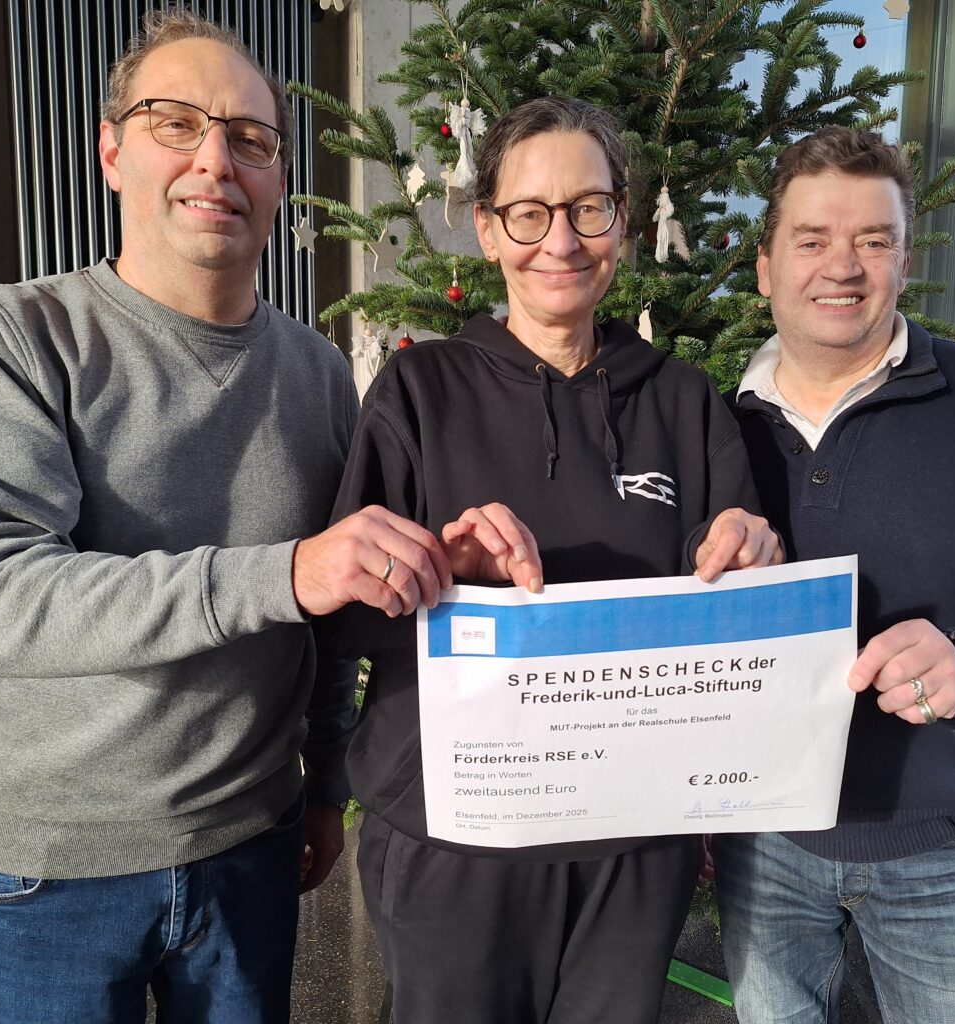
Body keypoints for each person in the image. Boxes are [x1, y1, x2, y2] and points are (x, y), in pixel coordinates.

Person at [0, 9, 453, 1022]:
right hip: (50, 869)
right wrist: (286, 571)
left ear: (279, 178)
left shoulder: (316, 372)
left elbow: (331, 621)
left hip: (251, 845)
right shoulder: (8, 338)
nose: (215, 160)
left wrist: (325, 782)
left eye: (250, 138)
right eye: (176, 123)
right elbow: (0, 599)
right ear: (112, 152)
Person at [325, 95, 782, 1024]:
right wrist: (440, 569)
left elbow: (734, 625)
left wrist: (754, 560)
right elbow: (343, 620)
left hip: (632, 839)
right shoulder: (419, 390)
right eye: (529, 214)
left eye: (588, 208)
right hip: (454, 831)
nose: (561, 242)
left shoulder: (684, 403)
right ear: (488, 228)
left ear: (623, 217)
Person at [713, 126, 955, 1023]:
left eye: (872, 240)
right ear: (766, 268)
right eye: (811, 240)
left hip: (939, 842)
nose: (841, 266)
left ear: (901, 261)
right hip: (759, 839)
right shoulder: (711, 421)